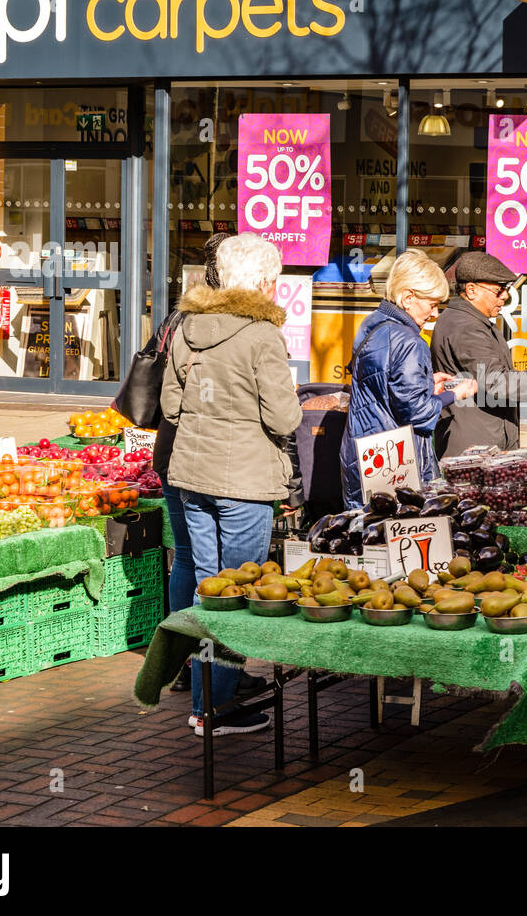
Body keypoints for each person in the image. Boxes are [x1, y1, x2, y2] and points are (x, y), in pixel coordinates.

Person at [161, 232, 303, 736]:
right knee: (235, 592)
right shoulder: (262, 336)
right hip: (243, 480)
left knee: (205, 586)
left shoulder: (188, 325)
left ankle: (202, 701)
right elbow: (284, 419)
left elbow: (171, 405)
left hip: (190, 474)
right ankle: (215, 708)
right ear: (265, 282)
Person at [340, 251, 477, 509]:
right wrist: (453, 393)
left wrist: (427, 382)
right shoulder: (409, 342)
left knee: (367, 535)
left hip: (362, 455)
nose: (435, 314)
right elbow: (417, 413)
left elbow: (382, 384)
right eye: (432, 304)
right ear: (408, 297)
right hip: (395, 462)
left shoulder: (373, 324)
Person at [153, 231, 228, 695]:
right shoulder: (229, 322)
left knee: (185, 558)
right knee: (214, 568)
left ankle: (182, 664)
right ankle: (215, 679)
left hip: (170, 447)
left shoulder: (179, 317)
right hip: (202, 454)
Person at [431, 251, 527, 458]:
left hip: (484, 438)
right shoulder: (466, 327)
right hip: (473, 448)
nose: (505, 296)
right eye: (498, 290)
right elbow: (496, 381)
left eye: (505, 289)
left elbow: (499, 375)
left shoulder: (473, 321)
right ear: (471, 290)